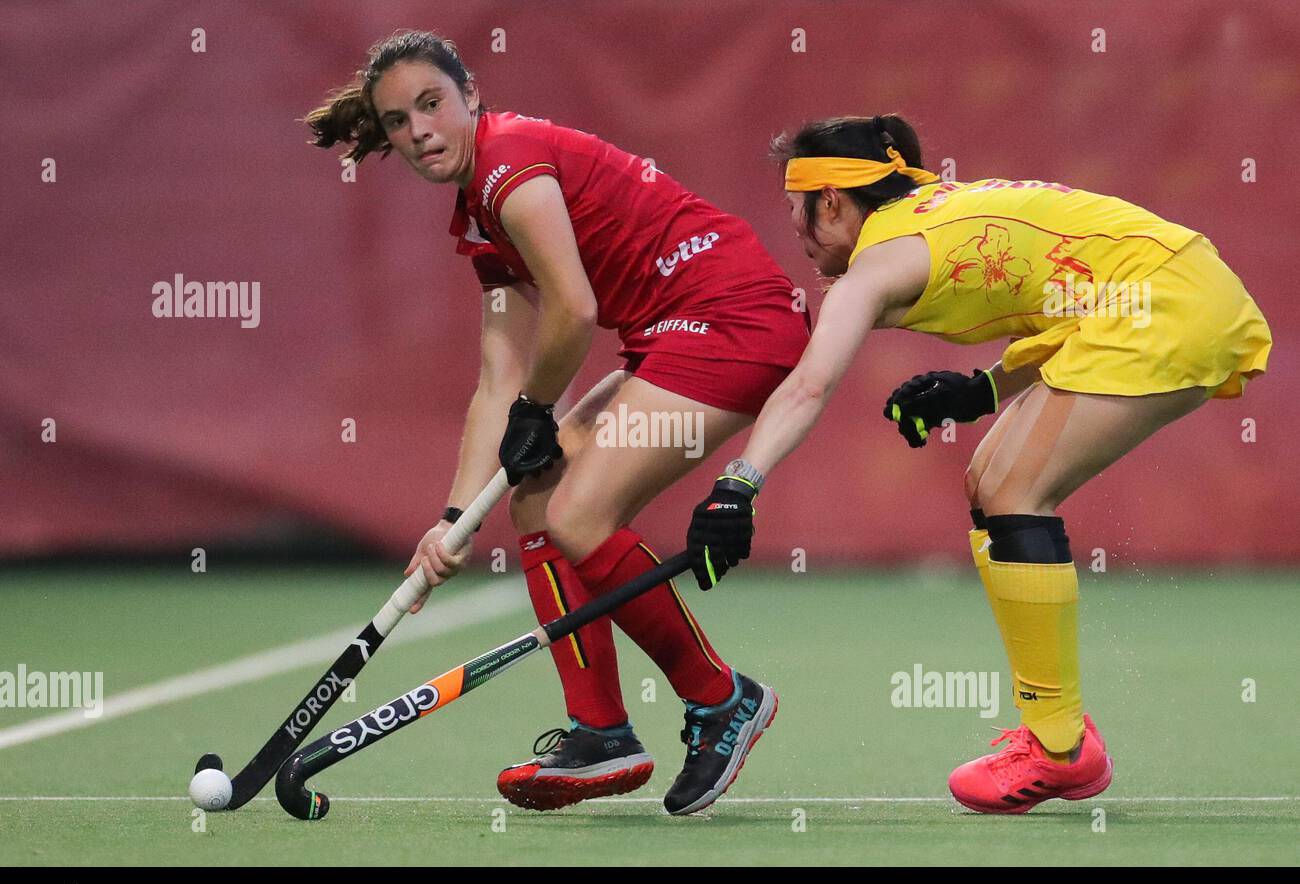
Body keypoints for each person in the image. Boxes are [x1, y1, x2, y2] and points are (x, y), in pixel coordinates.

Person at [685, 113, 1272, 813]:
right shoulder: (941, 211)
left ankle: (1060, 750)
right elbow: (1076, 291)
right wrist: (983, 388)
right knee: (992, 483)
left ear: (833, 201)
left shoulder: (876, 263)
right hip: (1163, 291)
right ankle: (1054, 735)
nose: (796, 229)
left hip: (1168, 305)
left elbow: (810, 385)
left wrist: (736, 485)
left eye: (797, 209)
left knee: (1018, 488)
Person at [306, 31, 806, 814]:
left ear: (470, 93)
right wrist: (450, 523)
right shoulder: (480, 214)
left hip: (728, 319)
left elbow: (575, 310)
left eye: (432, 105)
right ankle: (600, 731)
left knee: (580, 512)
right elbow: (497, 380)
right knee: (536, 499)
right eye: (399, 122)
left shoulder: (508, 162)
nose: (420, 131)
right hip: (672, 336)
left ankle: (722, 699)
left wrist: (538, 410)